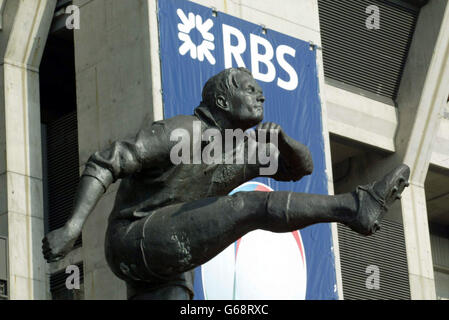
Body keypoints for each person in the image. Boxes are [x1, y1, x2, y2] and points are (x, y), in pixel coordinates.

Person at [42, 67, 410, 300]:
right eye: (250, 90)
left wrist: (283, 141)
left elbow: (301, 167)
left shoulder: (243, 151)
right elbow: (107, 161)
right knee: (248, 207)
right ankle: (354, 206)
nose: (260, 96)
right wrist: (72, 227)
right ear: (222, 100)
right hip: (133, 237)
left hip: (163, 270)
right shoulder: (184, 130)